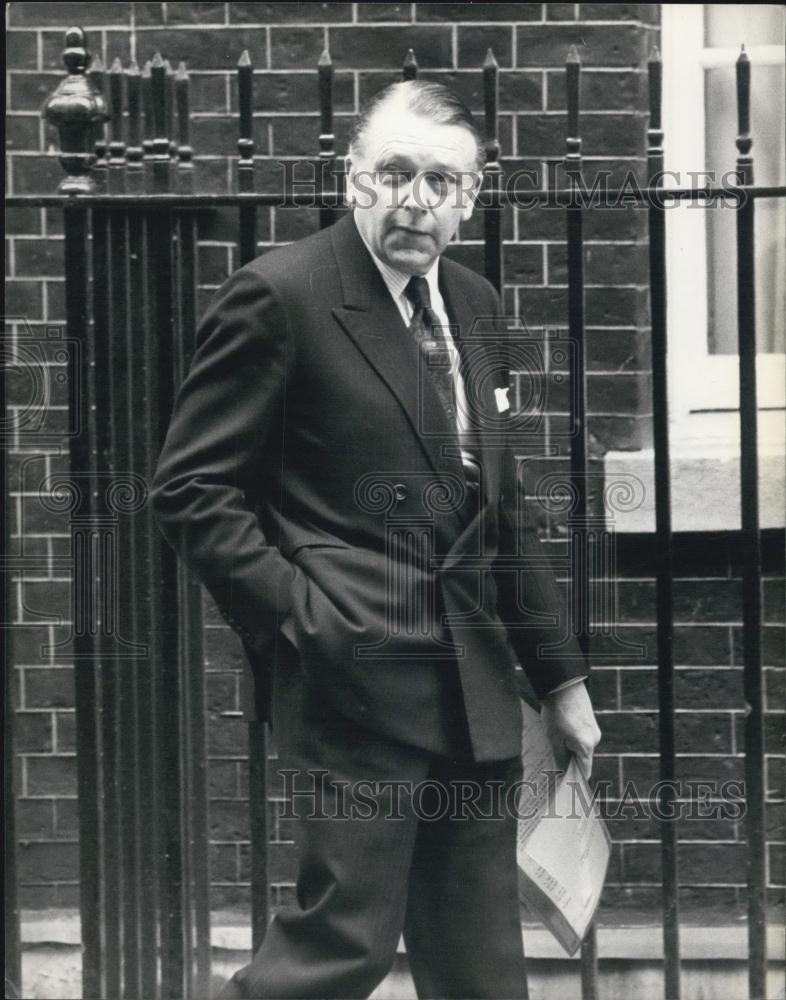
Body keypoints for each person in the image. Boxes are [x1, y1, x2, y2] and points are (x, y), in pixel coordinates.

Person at [150, 79, 601, 1000]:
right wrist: (303, 615)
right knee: (337, 951)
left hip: (474, 692)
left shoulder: (475, 306)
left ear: (472, 198)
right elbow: (191, 487)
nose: (416, 200)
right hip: (352, 685)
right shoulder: (280, 295)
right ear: (351, 180)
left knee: (481, 968)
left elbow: (502, 510)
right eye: (393, 173)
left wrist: (561, 680)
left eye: (441, 181)